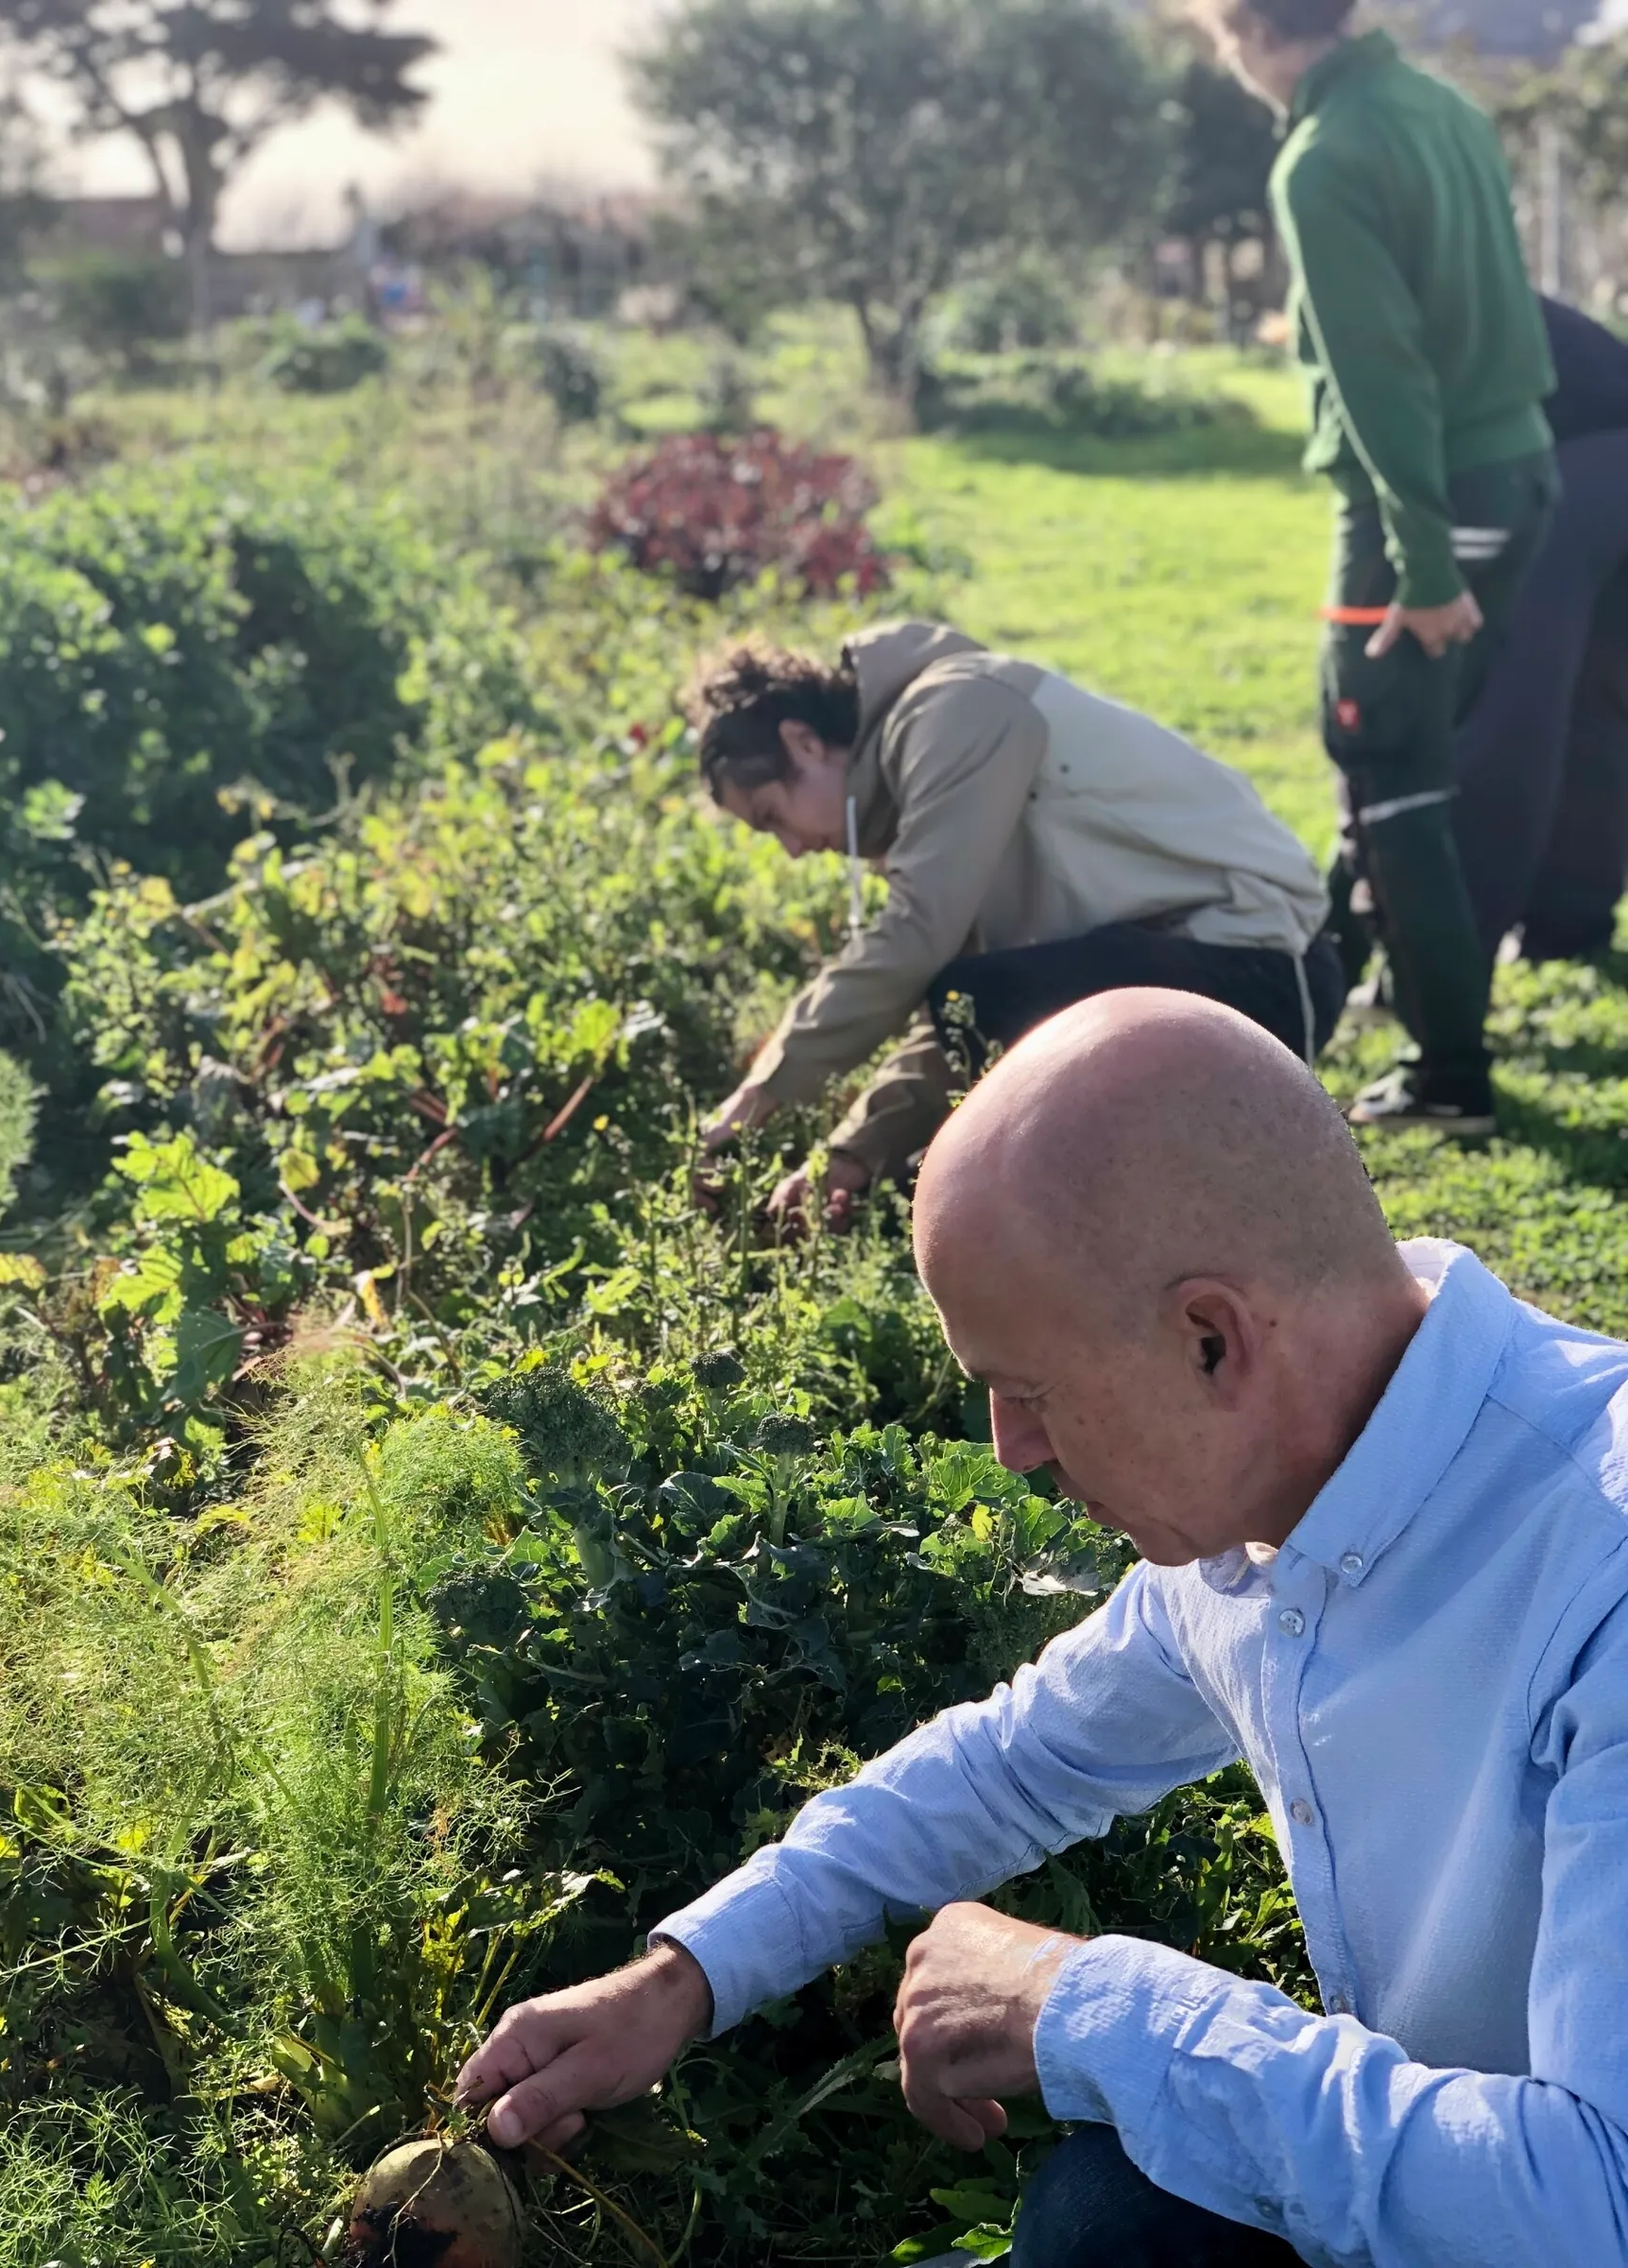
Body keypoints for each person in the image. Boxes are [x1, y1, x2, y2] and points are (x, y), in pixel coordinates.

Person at [457, 989, 1628, 2266]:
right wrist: (682, 1978)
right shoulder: (1265, 1510)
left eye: (1029, 1393)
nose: (1011, 1454)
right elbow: (1014, 1761)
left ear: (1210, 1341)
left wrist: (1099, 2006)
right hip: (1485, 2178)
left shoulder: (1598, 1568)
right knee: (1113, 2214)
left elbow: (1594, 2208)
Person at [1198, 0, 1556, 1135]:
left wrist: (1423, 558)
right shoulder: (1444, 108)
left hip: (1433, 504)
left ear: (1251, 27)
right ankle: (1367, 980)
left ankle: (1450, 1070)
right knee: (1410, 755)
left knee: (1387, 764)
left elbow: (1384, 375)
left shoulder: (1322, 159)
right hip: (1517, 471)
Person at [691, 624, 1341, 1226]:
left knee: (981, 1073)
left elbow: (922, 946)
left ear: (802, 742)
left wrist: (760, 1094)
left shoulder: (957, 712)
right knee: (957, 1157)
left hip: (1266, 973)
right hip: (1185, 970)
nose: (793, 849)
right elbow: (961, 1019)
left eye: (772, 817)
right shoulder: (925, 762)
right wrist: (850, 1158)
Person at [1452, 299, 1628, 962]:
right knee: (1594, 702)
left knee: (1511, 713)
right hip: (1607, 464)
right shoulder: (1486, 275)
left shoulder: (1411, 290)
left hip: (1577, 472)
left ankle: (1456, 954)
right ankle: (1570, 925)